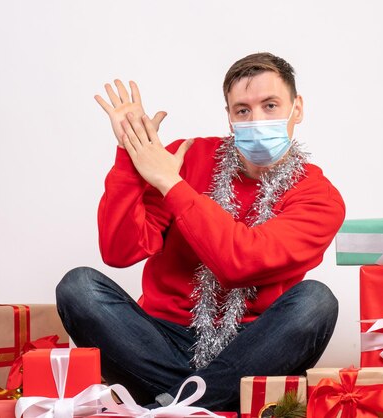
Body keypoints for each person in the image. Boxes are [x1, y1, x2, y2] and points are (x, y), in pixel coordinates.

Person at [56, 52, 346, 411]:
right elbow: (120, 252)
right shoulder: (185, 158)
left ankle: (171, 404)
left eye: (270, 105)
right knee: (78, 287)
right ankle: (202, 403)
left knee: (316, 301)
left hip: (253, 348)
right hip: (162, 340)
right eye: (243, 110)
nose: (256, 120)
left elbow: (242, 262)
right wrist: (130, 157)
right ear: (229, 116)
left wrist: (170, 184)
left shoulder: (319, 197)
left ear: (296, 108)